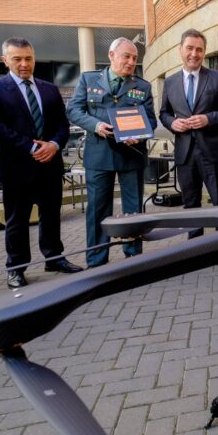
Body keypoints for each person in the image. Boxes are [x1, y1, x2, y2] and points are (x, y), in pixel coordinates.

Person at [0, 37, 83, 288]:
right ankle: (16, 267)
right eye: (17, 59)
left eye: (28, 58)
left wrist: (54, 145)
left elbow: (61, 124)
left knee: (51, 216)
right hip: (16, 168)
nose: (24, 64)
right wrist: (33, 147)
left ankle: (54, 257)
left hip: (49, 164)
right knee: (17, 220)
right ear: (5, 60)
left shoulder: (48, 88)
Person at [66, 38, 156, 268]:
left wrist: (142, 134)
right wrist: (95, 125)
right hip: (99, 155)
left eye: (135, 58)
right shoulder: (89, 79)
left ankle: (133, 258)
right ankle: (96, 260)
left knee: (134, 210)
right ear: (111, 55)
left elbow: (150, 121)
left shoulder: (143, 86)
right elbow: (74, 109)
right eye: (126, 56)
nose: (131, 62)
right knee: (97, 209)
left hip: (131, 154)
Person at [159, 29, 218, 238]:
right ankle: (195, 248)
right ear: (180, 50)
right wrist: (173, 123)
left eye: (199, 50)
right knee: (190, 204)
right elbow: (163, 112)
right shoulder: (170, 82)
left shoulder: (217, 78)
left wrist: (208, 118)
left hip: (212, 151)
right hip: (184, 153)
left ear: (204, 52)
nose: (194, 53)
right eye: (189, 48)